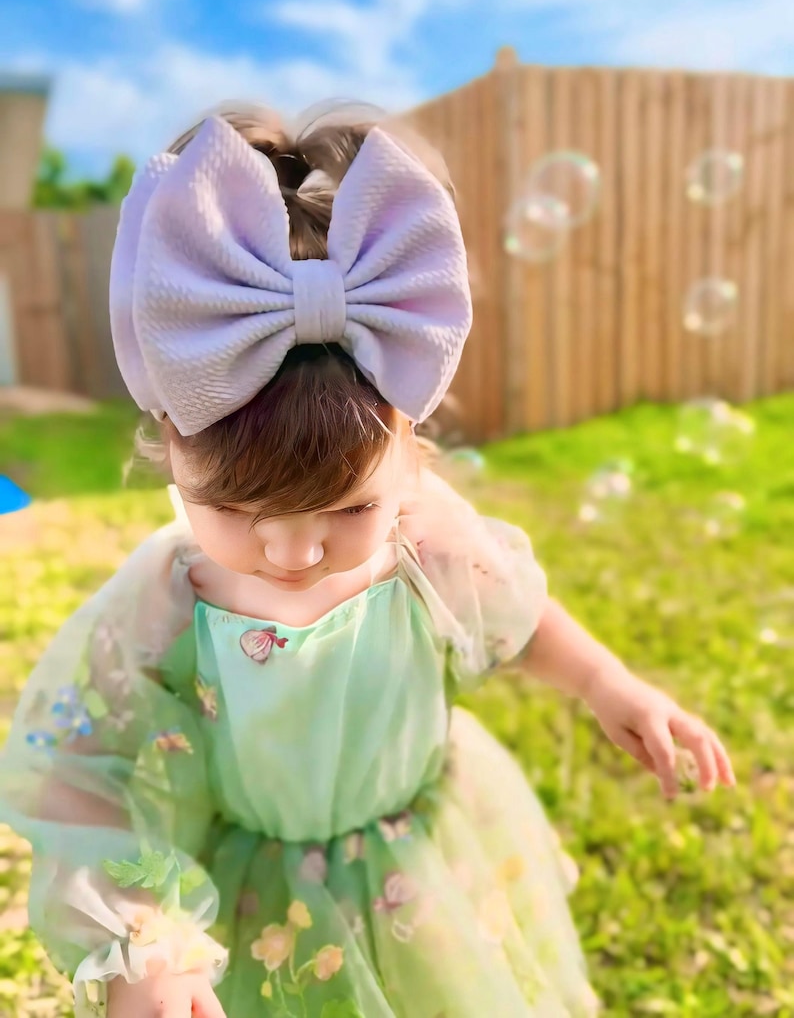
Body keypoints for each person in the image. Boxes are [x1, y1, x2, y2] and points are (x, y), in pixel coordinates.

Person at [0, 105, 735, 1018]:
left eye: (350, 508)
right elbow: (83, 766)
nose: (295, 550)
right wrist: (147, 939)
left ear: (413, 441)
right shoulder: (167, 597)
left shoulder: (426, 539)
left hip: (424, 864)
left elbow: (514, 614)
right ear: (166, 439)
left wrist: (608, 683)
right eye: (235, 509)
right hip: (257, 883)